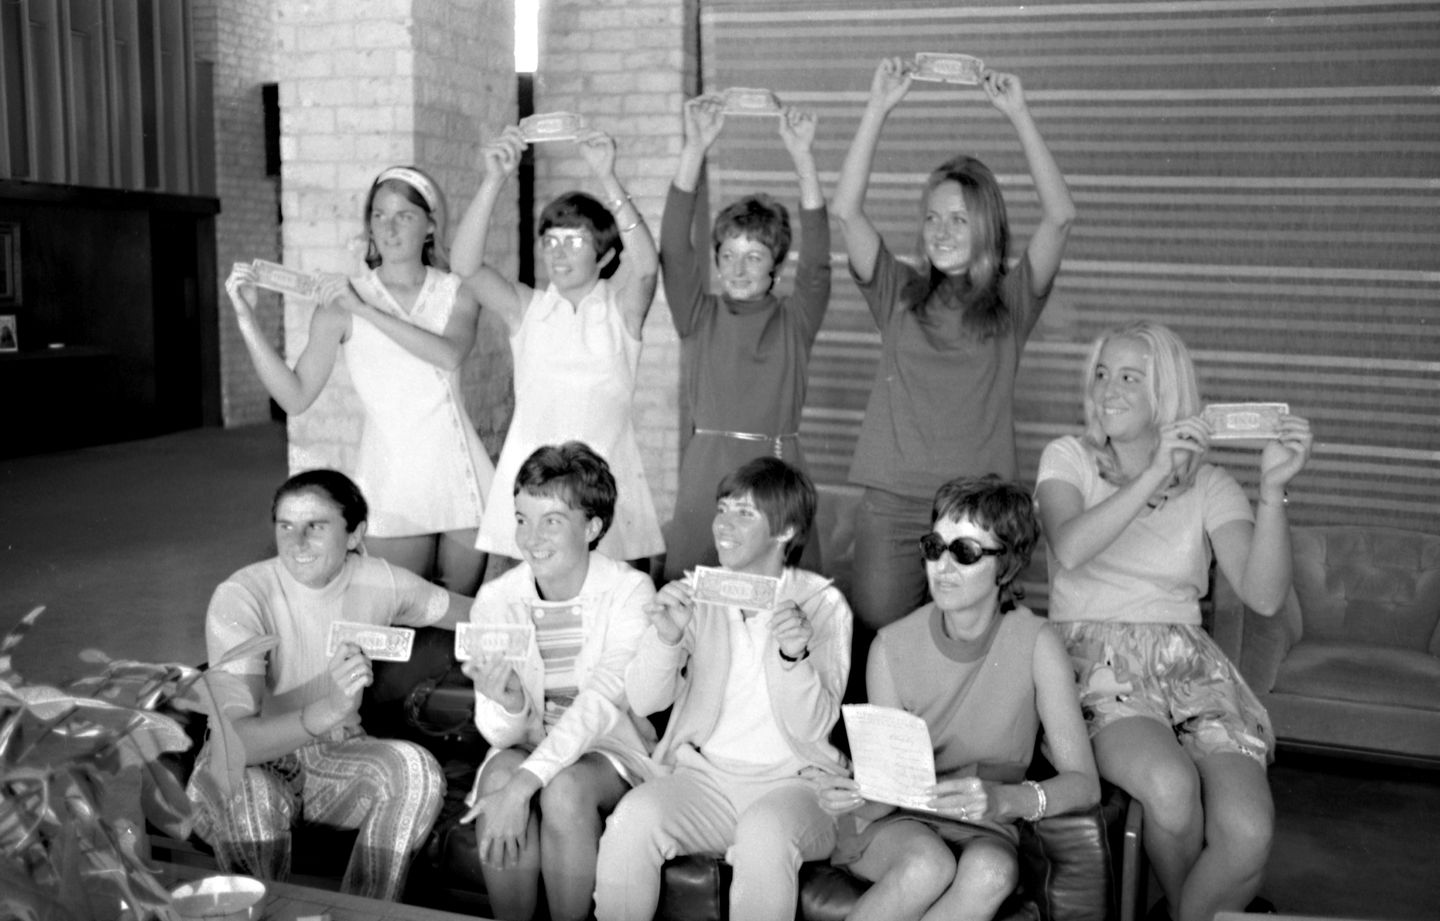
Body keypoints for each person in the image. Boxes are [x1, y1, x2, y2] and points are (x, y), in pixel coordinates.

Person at [1034, 321, 1314, 921]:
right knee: (1170, 787)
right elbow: (1072, 547)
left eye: (1131, 377)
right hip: (1093, 660)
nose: (1108, 389)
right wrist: (1156, 471)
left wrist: (1272, 491)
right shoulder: (1069, 458)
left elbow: (1264, 596)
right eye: (1103, 374)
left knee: (1248, 831)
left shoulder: (1211, 485)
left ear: (1167, 391)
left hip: (1187, 662)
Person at [832, 59, 1076, 633]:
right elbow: (845, 210)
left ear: (987, 228)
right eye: (932, 218)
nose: (940, 231)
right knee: (880, 647)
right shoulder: (897, 292)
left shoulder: (1012, 302)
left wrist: (1017, 112)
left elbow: (1061, 216)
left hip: (976, 514)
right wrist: (878, 106)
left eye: (959, 220)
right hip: (891, 506)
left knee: (965, 653)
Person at [813, 475, 1098, 921]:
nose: (942, 566)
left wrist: (1004, 800)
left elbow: (1084, 783)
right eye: (934, 547)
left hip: (986, 823)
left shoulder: (1037, 644)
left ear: (1006, 565)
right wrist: (849, 796)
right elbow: (885, 793)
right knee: (928, 864)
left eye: (964, 552)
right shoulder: (891, 646)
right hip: (897, 822)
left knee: (991, 872)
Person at [186, 469, 468, 900]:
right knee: (250, 791)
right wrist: (328, 710)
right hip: (243, 767)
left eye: (315, 527)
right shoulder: (242, 594)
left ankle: (363, 914)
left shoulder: (378, 579)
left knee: (416, 771)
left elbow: (477, 615)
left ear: (355, 534)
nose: (296, 543)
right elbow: (234, 745)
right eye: (286, 526)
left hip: (333, 761)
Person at [594, 457, 853, 921]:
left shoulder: (822, 603)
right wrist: (666, 637)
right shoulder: (697, 591)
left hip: (795, 786)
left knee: (764, 837)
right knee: (633, 820)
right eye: (723, 508)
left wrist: (793, 656)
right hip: (705, 780)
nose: (724, 525)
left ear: (787, 530)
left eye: (745, 514)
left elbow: (814, 726)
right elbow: (644, 700)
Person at [225, 165, 492, 595]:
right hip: (391, 480)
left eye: (404, 215)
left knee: (461, 616)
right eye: (379, 215)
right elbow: (294, 397)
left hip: (463, 476)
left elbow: (447, 355)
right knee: (400, 620)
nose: (389, 227)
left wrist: (365, 309)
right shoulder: (339, 304)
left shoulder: (457, 292)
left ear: (429, 227)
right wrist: (246, 319)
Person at [460, 442, 657, 921]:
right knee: (499, 774)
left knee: (562, 788)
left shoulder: (630, 591)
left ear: (592, 527)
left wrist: (526, 782)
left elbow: (602, 701)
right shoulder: (496, 598)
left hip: (606, 748)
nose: (531, 538)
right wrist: (506, 704)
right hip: (528, 745)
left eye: (551, 520)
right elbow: (499, 736)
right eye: (522, 518)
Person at [451, 126, 663, 567]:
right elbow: (465, 266)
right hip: (530, 483)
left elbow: (646, 269)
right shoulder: (525, 309)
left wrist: (607, 176)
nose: (558, 254)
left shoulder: (621, 311)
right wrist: (493, 180)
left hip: (605, 485)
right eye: (550, 241)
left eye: (575, 242)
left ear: (604, 256)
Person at [659, 96, 831, 583]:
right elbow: (674, 245)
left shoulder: (795, 320)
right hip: (705, 479)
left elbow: (818, 260)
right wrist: (695, 148)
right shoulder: (697, 314)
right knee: (692, 600)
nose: (738, 268)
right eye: (728, 254)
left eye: (754, 256)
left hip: (776, 473)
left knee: (784, 602)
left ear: (776, 265)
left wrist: (803, 158)